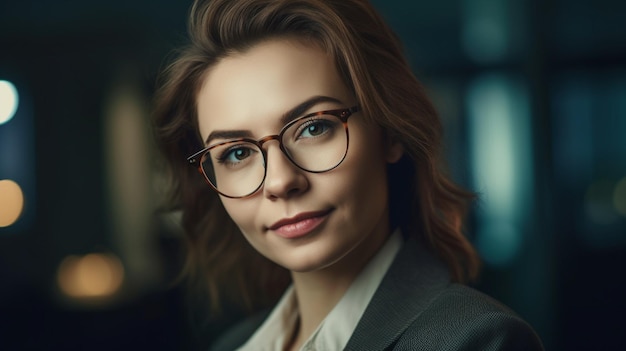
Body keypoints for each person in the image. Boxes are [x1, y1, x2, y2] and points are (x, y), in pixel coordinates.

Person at [153, 0, 544, 350]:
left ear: (389, 131)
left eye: (313, 128)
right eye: (237, 153)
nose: (280, 182)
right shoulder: (233, 345)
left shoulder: (475, 340)